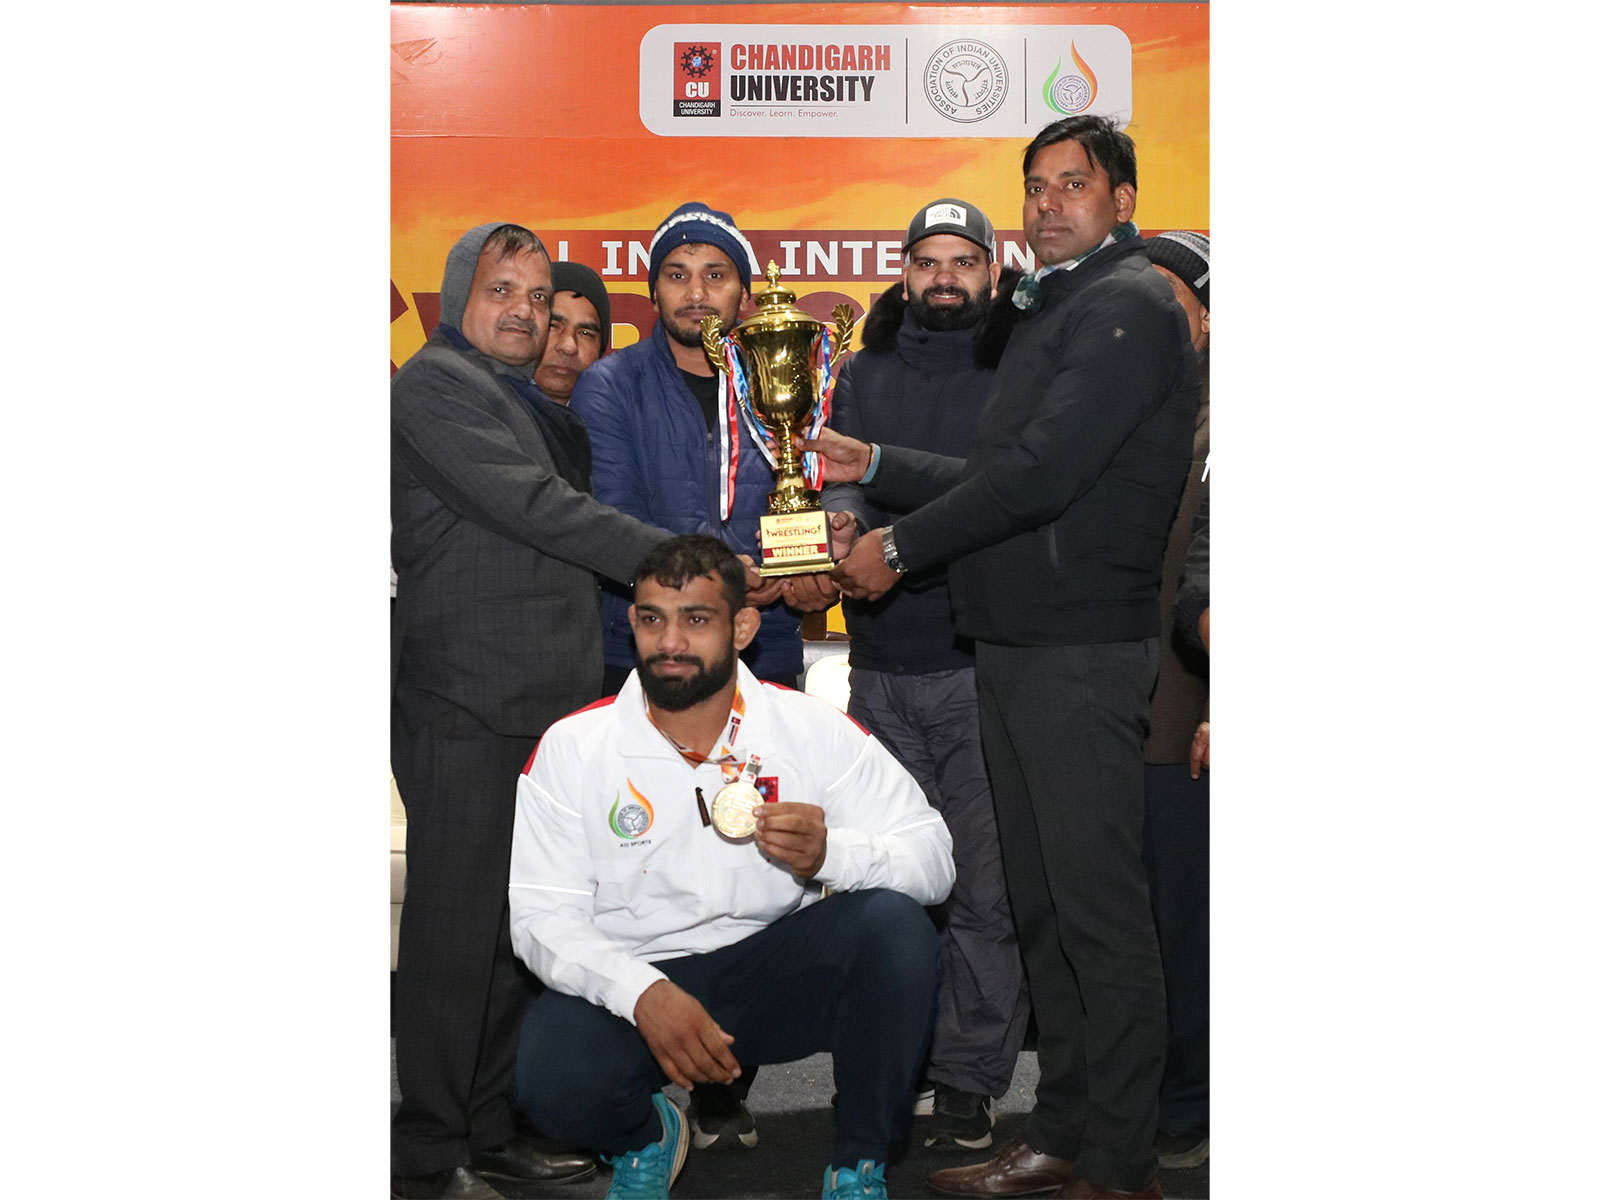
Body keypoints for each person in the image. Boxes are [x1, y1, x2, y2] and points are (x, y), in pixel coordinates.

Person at [811, 115, 1200, 1199]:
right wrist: (880, 463)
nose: (1047, 204)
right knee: (1041, 911)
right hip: (1019, 643)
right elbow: (999, 465)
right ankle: (1065, 1132)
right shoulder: (1057, 307)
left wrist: (895, 545)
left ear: (1122, 199)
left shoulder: (1126, 306)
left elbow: (1038, 479)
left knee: (1097, 917)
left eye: (1072, 185)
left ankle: (1118, 1164)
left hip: (1080, 647)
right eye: (1034, 187)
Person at [507, 534, 956, 1200]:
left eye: (696, 619)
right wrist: (642, 993)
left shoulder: (810, 727)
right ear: (632, 622)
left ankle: (859, 1165)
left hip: (771, 972)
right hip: (640, 976)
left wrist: (835, 853)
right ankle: (645, 1137)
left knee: (894, 928)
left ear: (742, 627)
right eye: (653, 617)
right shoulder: (573, 746)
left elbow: (934, 856)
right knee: (549, 1080)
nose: (670, 641)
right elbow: (541, 917)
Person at [391, 222, 671, 1200]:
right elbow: (538, 513)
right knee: (452, 939)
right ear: (459, 295)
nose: (524, 310)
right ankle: (427, 1153)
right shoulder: (435, 388)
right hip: (466, 705)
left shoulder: (531, 405)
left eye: (538, 294)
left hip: (540, 714)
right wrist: (678, 566)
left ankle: (487, 1124)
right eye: (501, 289)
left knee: (518, 935)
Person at [818, 199, 1030, 1153]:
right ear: (903, 272)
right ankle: (892, 1063)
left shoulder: (1021, 367)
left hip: (981, 666)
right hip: (878, 667)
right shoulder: (861, 370)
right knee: (887, 888)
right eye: (928, 261)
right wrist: (843, 520)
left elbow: (1002, 492)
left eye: (963, 261)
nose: (945, 276)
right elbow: (846, 479)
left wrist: (893, 525)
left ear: (992, 269)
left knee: (985, 889)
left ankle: (970, 1080)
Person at [570, 202, 801, 702]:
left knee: (754, 784)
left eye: (715, 275)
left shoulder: (781, 382)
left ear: (744, 293)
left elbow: (813, 495)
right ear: (654, 292)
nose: (696, 293)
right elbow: (616, 517)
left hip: (765, 644)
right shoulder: (609, 386)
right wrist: (728, 572)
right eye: (677, 275)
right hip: (645, 652)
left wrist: (805, 565)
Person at [1137, 231, 1211, 1171]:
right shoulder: (1132, 404)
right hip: (1114, 703)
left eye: (1168, 299)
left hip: (1186, 712)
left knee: (1184, 923)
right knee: (1134, 924)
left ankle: (1187, 1106)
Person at [534, 260, 611, 405]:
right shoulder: (483, 411)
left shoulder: (621, 423)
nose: (569, 346)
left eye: (586, 333)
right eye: (553, 326)